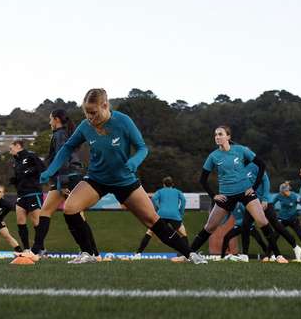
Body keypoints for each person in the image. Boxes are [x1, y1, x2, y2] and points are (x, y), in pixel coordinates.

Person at [40, 89, 203, 264]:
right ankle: (88, 254)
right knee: (70, 208)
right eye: (86, 112)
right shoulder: (86, 126)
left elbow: (142, 148)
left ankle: (190, 254)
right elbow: (66, 148)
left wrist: (134, 162)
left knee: (153, 221)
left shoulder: (123, 121)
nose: (89, 117)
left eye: (93, 112)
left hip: (124, 181)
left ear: (105, 105)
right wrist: (50, 171)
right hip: (96, 179)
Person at [188, 125, 280, 263]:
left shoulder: (241, 150)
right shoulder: (213, 156)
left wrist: (254, 187)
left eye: (220, 134)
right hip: (226, 195)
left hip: (245, 193)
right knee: (210, 227)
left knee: (262, 221)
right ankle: (187, 254)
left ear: (228, 137)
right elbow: (203, 179)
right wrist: (214, 195)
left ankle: (278, 255)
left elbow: (261, 165)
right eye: (215, 135)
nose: (217, 137)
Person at [31, 109, 89, 256]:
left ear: (56, 119)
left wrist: (63, 184)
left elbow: (63, 158)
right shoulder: (63, 134)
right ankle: (36, 250)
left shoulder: (60, 134)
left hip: (67, 178)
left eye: (51, 119)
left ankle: (89, 251)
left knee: (76, 215)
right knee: (46, 211)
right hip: (64, 177)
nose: (49, 122)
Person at [241, 161, 301, 262]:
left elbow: (266, 181)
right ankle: (244, 255)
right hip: (251, 203)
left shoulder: (255, 165)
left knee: (277, 226)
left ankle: (295, 246)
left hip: (264, 203)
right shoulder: (239, 169)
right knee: (245, 226)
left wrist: (265, 199)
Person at [134, 176, 188, 257]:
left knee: (150, 232)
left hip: (161, 215)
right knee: (183, 234)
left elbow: (153, 199)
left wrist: (159, 207)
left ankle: (138, 253)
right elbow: (183, 200)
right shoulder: (177, 192)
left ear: (163, 184)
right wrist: (181, 212)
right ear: (172, 184)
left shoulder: (160, 191)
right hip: (175, 215)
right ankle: (187, 255)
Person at [9, 139, 45, 253]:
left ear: (18, 146)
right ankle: (26, 250)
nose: (10, 151)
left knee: (36, 222)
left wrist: (28, 171)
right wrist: (15, 181)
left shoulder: (31, 156)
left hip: (33, 192)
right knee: (20, 221)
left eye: (11, 148)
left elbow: (42, 168)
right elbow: (20, 177)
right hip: (21, 194)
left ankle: (41, 249)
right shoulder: (15, 162)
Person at [270, 182, 301, 257]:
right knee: (275, 236)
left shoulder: (294, 196)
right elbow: (271, 204)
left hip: (293, 219)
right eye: (281, 192)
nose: (282, 193)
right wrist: (272, 214)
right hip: (282, 219)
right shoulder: (279, 195)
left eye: (283, 191)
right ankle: (267, 255)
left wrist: (300, 213)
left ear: (287, 190)